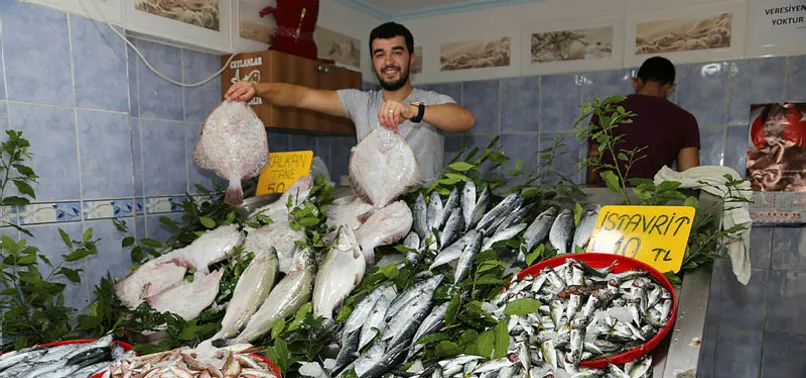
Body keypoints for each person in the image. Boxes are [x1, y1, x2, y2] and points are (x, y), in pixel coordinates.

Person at [225, 22, 475, 184]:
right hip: (373, 212)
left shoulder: (431, 102)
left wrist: (413, 110)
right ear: (373, 61)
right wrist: (258, 87)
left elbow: (464, 120)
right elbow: (302, 96)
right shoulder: (360, 102)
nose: (388, 61)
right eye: (380, 54)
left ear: (411, 58)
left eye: (396, 52)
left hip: (423, 212)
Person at [586, 56, 700, 187]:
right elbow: (689, 176)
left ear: (637, 82)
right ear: (669, 87)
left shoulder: (606, 110)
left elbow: (594, 158)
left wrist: (594, 192)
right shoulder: (684, 119)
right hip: (651, 201)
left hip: (606, 199)